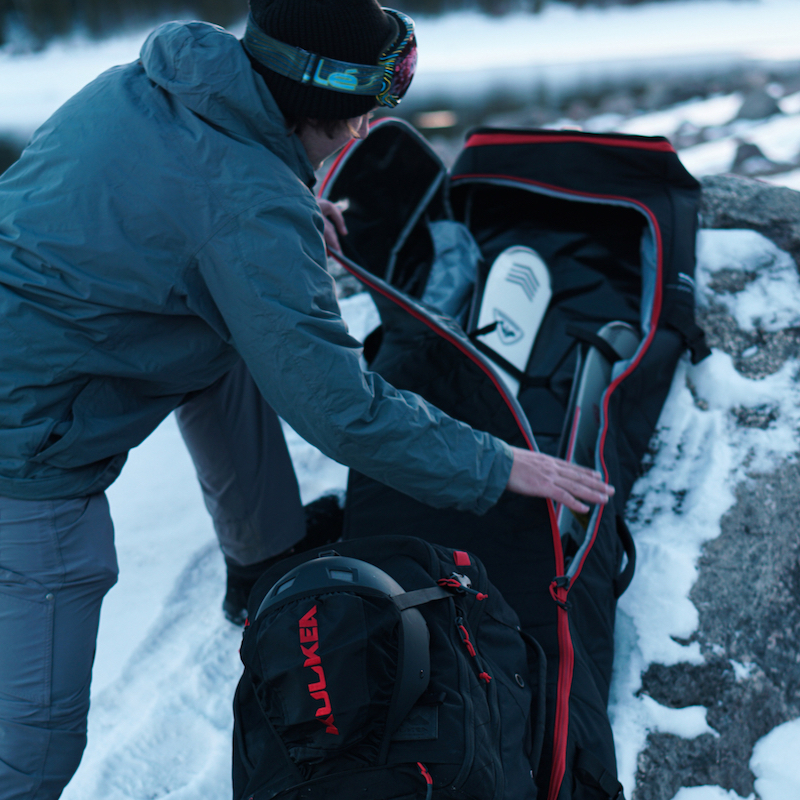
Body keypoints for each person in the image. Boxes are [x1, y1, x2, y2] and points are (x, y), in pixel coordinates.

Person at [0, 0, 614, 796]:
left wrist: (284, 204)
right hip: (24, 442)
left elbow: (172, 203)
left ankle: (265, 558)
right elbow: (340, 409)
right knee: (34, 743)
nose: (366, 128)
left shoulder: (155, 86)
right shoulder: (245, 207)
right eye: (361, 111)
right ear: (314, 101)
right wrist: (499, 465)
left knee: (228, 336)